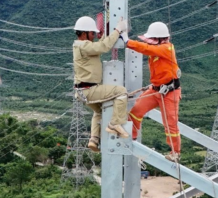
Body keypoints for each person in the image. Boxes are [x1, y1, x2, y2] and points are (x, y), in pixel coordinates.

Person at [72, 16, 130, 152]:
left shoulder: (81, 46)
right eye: (92, 33)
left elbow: (100, 45)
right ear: (85, 33)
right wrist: (117, 30)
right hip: (89, 90)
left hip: (82, 91)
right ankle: (115, 123)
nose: (94, 36)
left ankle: (94, 139)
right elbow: (103, 47)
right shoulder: (84, 45)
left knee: (99, 111)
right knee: (121, 92)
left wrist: (105, 34)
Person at [125, 22, 182, 160]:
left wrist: (127, 41)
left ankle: (175, 152)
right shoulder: (156, 49)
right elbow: (147, 48)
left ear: (159, 39)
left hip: (169, 92)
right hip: (156, 90)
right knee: (136, 111)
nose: (149, 43)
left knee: (170, 123)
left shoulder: (166, 48)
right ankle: (131, 137)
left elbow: (144, 48)